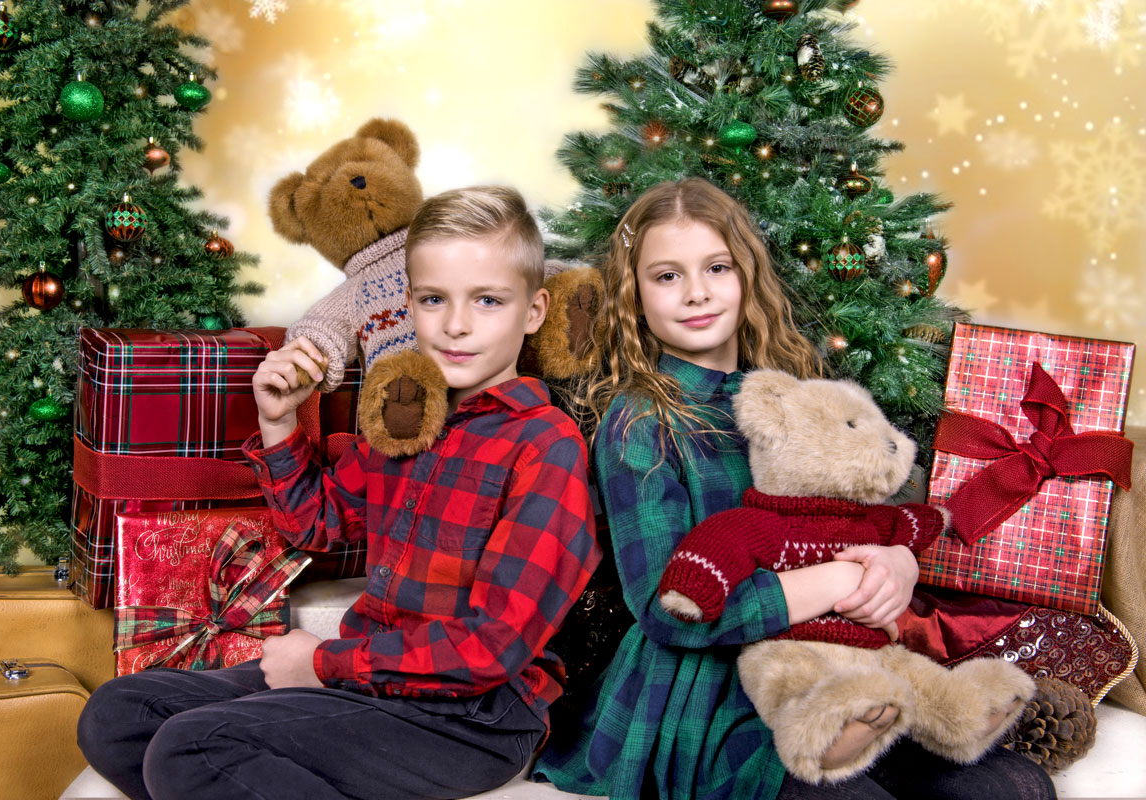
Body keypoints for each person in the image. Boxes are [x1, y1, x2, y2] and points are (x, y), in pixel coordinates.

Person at [533, 178, 1054, 800]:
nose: (697, 291)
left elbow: (857, 517)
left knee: (1014, 787)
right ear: (634, 294)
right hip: (712, 689)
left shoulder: (795, 395)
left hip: (843, 661)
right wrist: (835, 582)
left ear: (746, 274)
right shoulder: (641, 424)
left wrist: (896, 563)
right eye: (667, 276)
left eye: (717, 267)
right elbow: (668, 612)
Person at [77, 185, 600, 800]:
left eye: (488, 300)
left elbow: (493, 647)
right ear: (408, 305)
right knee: (118, 714)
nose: (456, 325)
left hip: (472, 720)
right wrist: (277, 423)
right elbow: (317, 528)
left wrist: (323, 666)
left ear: (534, 311)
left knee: (194, 747)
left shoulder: (545, 445)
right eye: (435, 299)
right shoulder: (404, 420)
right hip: (369, 681)